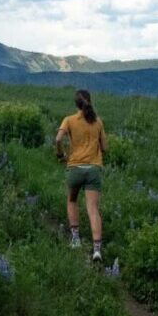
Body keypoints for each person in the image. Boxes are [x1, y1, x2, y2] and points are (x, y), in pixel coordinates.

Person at [54, 88, 107, 261]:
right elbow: (105, 148)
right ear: (90, 102)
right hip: (93, 169)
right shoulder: (97, 122)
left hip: (75, 167)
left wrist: (61, 155)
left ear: (75, 103)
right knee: (93, 209)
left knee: (72, 200)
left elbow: (58, 139)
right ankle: (97, 249)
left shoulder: (69, 120)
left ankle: (76, 239)